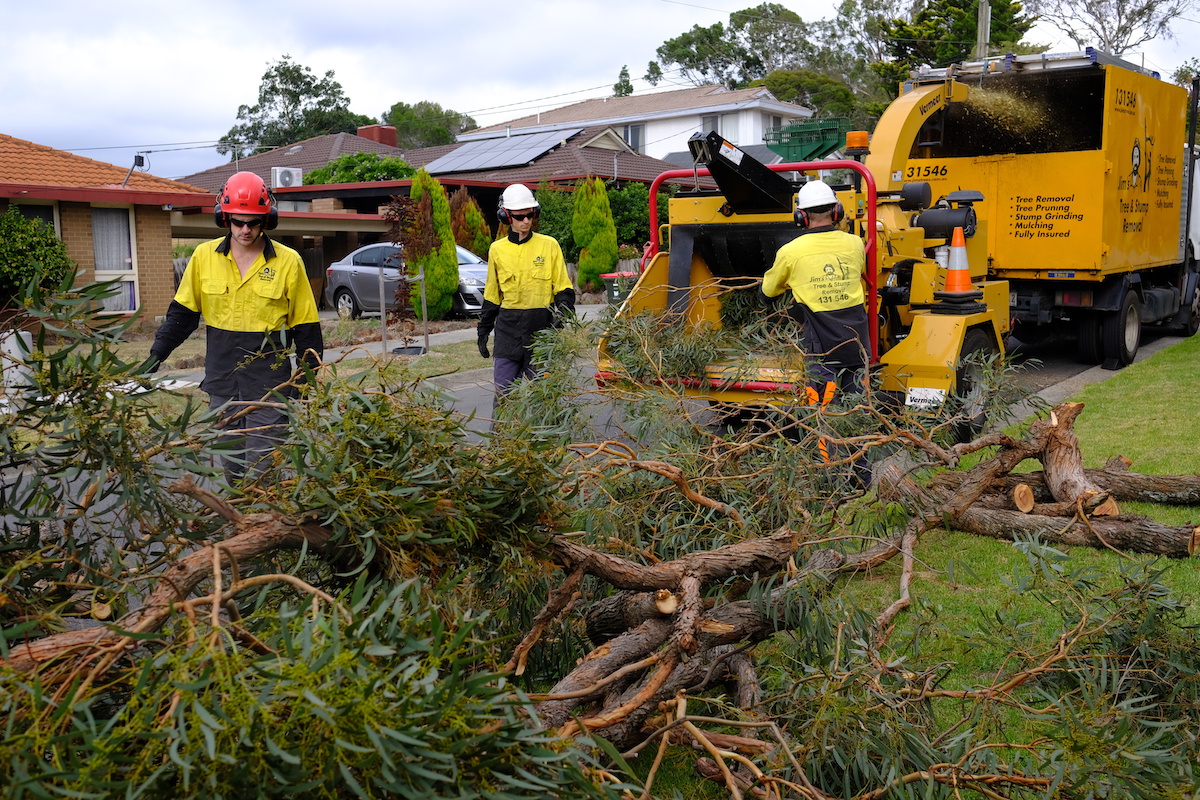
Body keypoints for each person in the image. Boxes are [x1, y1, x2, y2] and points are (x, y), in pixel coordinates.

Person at [147, 171, 324, 482]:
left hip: (270, 388)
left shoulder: (289, 261)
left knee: (263, 470)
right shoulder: (203, 257)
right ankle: (242, 524)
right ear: (223, 217)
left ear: (267, 219)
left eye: (253, 222)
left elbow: (306, 329)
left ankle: (268, 524)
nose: (245, 229)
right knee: (233, 471)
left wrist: (305, 384)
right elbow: (183, 315)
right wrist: (156, 355)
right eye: (238, 221)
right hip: (223, 386)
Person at [761, 179, 870, 400]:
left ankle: (824, 435)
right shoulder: (856, 243)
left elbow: (768, 293)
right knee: (857, 404)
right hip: (856, 341)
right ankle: (860, 434)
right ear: (836, 211)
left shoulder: (790, 252)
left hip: (821, 346)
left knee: (823, 404)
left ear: (801, 216)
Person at [477, 183, 575, 406]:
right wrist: (483, 330)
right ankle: (501, 441)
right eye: (520, 217)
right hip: (507, 332)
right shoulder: (497, 250)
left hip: (541, 330)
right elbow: (493, 294)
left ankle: (546, 440)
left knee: (543, 399)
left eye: (530, 215)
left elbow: (563, 288)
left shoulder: (549, 246)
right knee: (504, 397)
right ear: (506, 216)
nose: (526, 221)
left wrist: (563, 312)